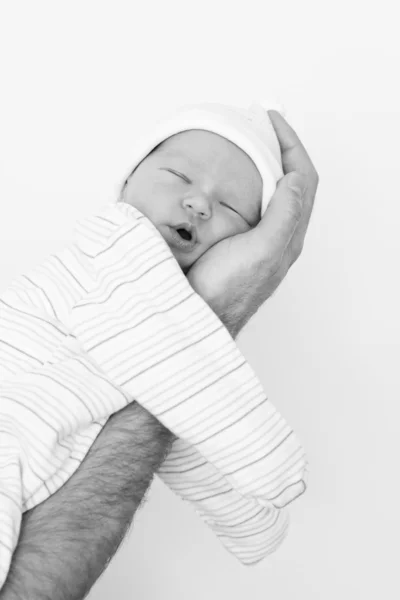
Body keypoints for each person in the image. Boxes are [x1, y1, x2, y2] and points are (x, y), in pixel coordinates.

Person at [0, 108, 319, 600]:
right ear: (126, 182)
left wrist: (251, 517)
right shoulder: (115, 244)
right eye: (178, 175)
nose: (198, 203)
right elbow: (187, 382)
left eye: (231, 207)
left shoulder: (169, 330)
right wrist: (270, 474)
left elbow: (181, 404)